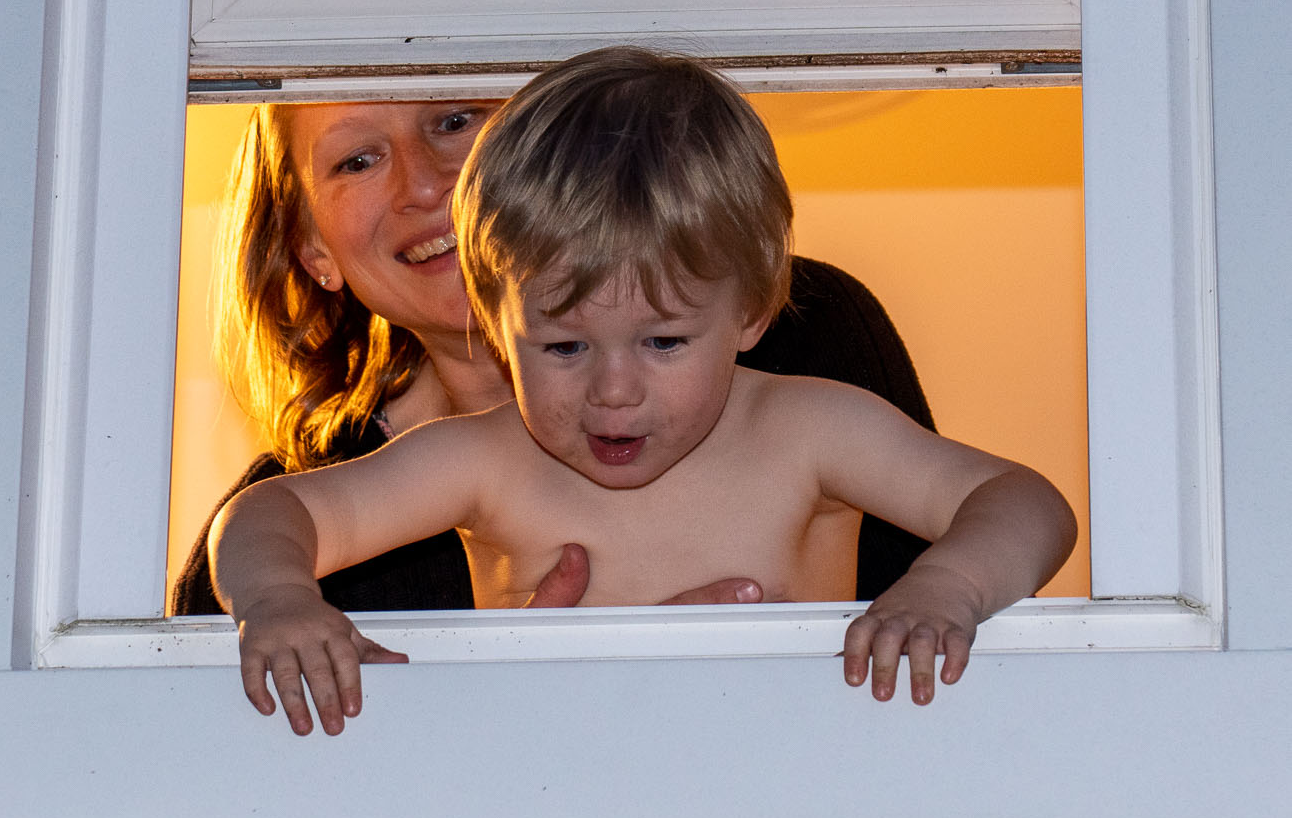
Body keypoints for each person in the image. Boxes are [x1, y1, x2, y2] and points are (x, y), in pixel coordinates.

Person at [212, 48, 1075, 733]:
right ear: (495, 316)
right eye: (563, 346)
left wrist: (945, 587)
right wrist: (279, 599)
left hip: (798, 792)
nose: (613, 392)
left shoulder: (810, 428)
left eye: (664, 342)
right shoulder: (482, 463)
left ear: (754, 310)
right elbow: (267, 515)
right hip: (573, 813)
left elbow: (1023, 501)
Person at [172, 91, 938, 618]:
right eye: (357, 161)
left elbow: (936, 648)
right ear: (311, 247)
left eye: (454, 120)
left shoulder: (807, 333)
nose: (426, 185)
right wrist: (536, 694)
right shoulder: (286, 537)